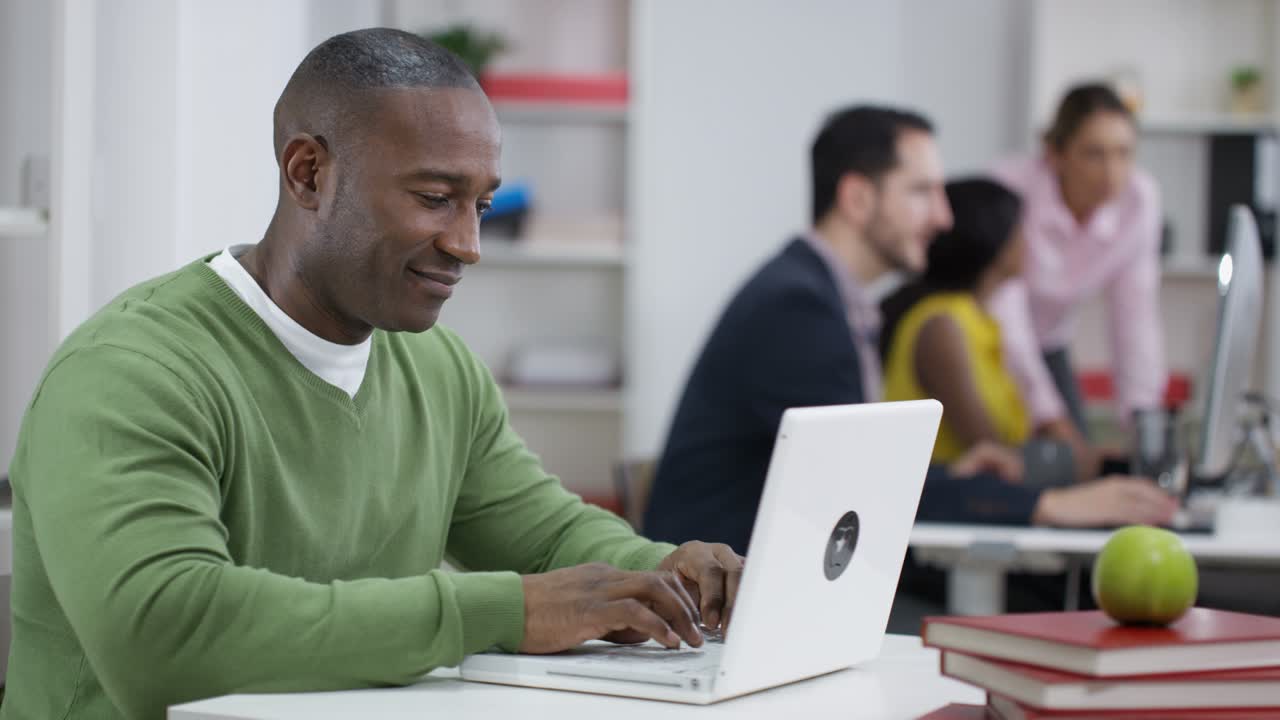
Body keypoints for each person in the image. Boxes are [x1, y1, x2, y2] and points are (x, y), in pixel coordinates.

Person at [3, 30, 743, 720]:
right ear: (308, 173)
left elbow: (545, 538)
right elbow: (161, 636)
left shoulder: (439, 368)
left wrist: (667, 574)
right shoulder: (131, 371)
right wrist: (500, 612)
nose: (469, 243)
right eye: (434, 199)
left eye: (480, 206)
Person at [643, 106, 1177, 557]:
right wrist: (1051, 504)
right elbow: (860, 490)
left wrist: (956, 477)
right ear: (857, 199)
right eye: (922, 191)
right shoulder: (799, 307)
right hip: (718, 607)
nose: (944, 218)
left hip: (761, 576)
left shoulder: (826, 296)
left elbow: (858, 476)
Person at [987, 83, 1166, 471]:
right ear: (1055, 154)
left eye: (1124, 154)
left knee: (1077, 465)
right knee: (1022, 466)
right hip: (985, 341)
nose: (1112, 172)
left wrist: (1143, 421)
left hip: (1050, 344)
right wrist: (1050, 418)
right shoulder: (1011, 187)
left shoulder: (1140, 200)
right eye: (1094, 154)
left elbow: (1135, 315)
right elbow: (1006, 311)